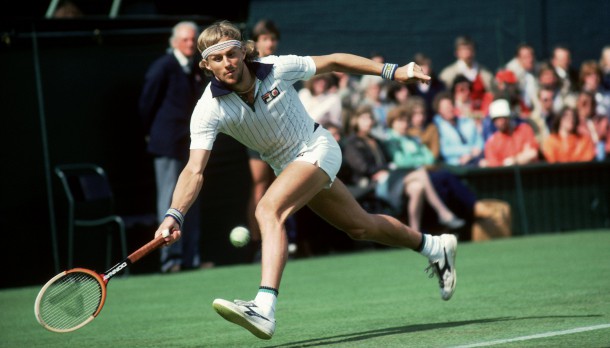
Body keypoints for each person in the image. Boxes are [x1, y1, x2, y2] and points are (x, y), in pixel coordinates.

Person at [154, 20, 458, 340]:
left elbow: (335, 61)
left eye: (232, 54)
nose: (227, 63)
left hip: (319, 147)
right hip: (288, 167)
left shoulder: (277, 68)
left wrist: (393, 71)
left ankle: (264, 306)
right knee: (360, 226)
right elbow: (194, 170)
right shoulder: (208, 109)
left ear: (243, 52)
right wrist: (175, 214)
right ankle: (434, 246)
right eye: (218, 58)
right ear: (206, 65)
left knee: (268, 210)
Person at [139, 21, 207, 273]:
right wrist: (151, 133)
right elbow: (147, 103)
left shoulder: (195, 69)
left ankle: (191, 259)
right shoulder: (163, 67)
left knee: (190, 197)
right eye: (186, 40)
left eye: (193, 40)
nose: (190, 44)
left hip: (190, 144)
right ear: (175, 42)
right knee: (169, 201)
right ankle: (171, 261)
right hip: (166, 143)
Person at [245, 19, 282, 258]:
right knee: (260, 185)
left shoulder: (277, 66)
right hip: (256, 136)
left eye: (272, 38)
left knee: (276, 185)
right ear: (256, 41)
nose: (270, 43)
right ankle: (257, 242)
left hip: (278, 137)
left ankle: (275, 238)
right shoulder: (249, 66)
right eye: (265, 38)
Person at [439, 35, 493, 114]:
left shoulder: (485, 74)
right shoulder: (447, 75)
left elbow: (491, 95)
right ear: (457, 53)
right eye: (463, 49)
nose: (467, 53)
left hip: (482, 116)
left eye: (470, 49)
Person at [481, 99, 539, 167]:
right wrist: (522, 157)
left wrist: (514, 161)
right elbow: (495, 167)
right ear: (493, 121)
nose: (501, 121)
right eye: (498, 118)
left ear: (509, 117)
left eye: (504, 117)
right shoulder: (491, 143)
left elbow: (532, 153)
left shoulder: (524, 129)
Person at [433, 91, 484, 166]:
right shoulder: (438, 127)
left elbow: (479, 140)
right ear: (440, 111)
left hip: (475, 157)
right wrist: (469, 150)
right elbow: (445, 150)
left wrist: (473, 153)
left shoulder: (465, 121)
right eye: (446, 107)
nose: (450, 109)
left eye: (451, 105)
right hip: (455, 163)